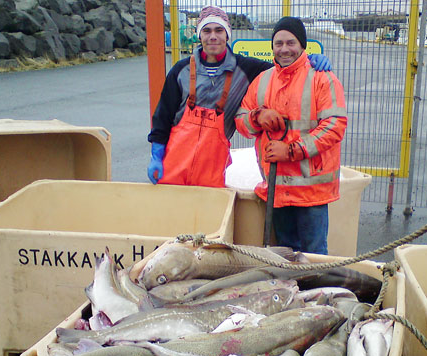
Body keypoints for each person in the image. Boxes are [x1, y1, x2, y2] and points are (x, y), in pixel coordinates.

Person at [147, 5, 331, 188]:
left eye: (219, 30)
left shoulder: (246, 69)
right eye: (207, 30)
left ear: (227, 34)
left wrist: (309, 60)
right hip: (173, 166)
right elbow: (163, 116)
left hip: (211, 171)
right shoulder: (181, 70)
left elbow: (284, 67)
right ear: (199, 35)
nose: (213, 36)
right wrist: (156, 155)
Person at [234, 16, 347, 254]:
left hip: (311, 192)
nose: (284, 49)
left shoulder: (322, 78)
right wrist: (257, 117)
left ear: (302, 45)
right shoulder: (262, 81)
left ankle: (315, 292)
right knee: (285, 254)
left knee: (313, 255)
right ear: (272, 47)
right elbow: (241, 121)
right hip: (277, 188)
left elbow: (335, 125)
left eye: (291, 42)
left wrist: (292, 150)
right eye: (278, 43)